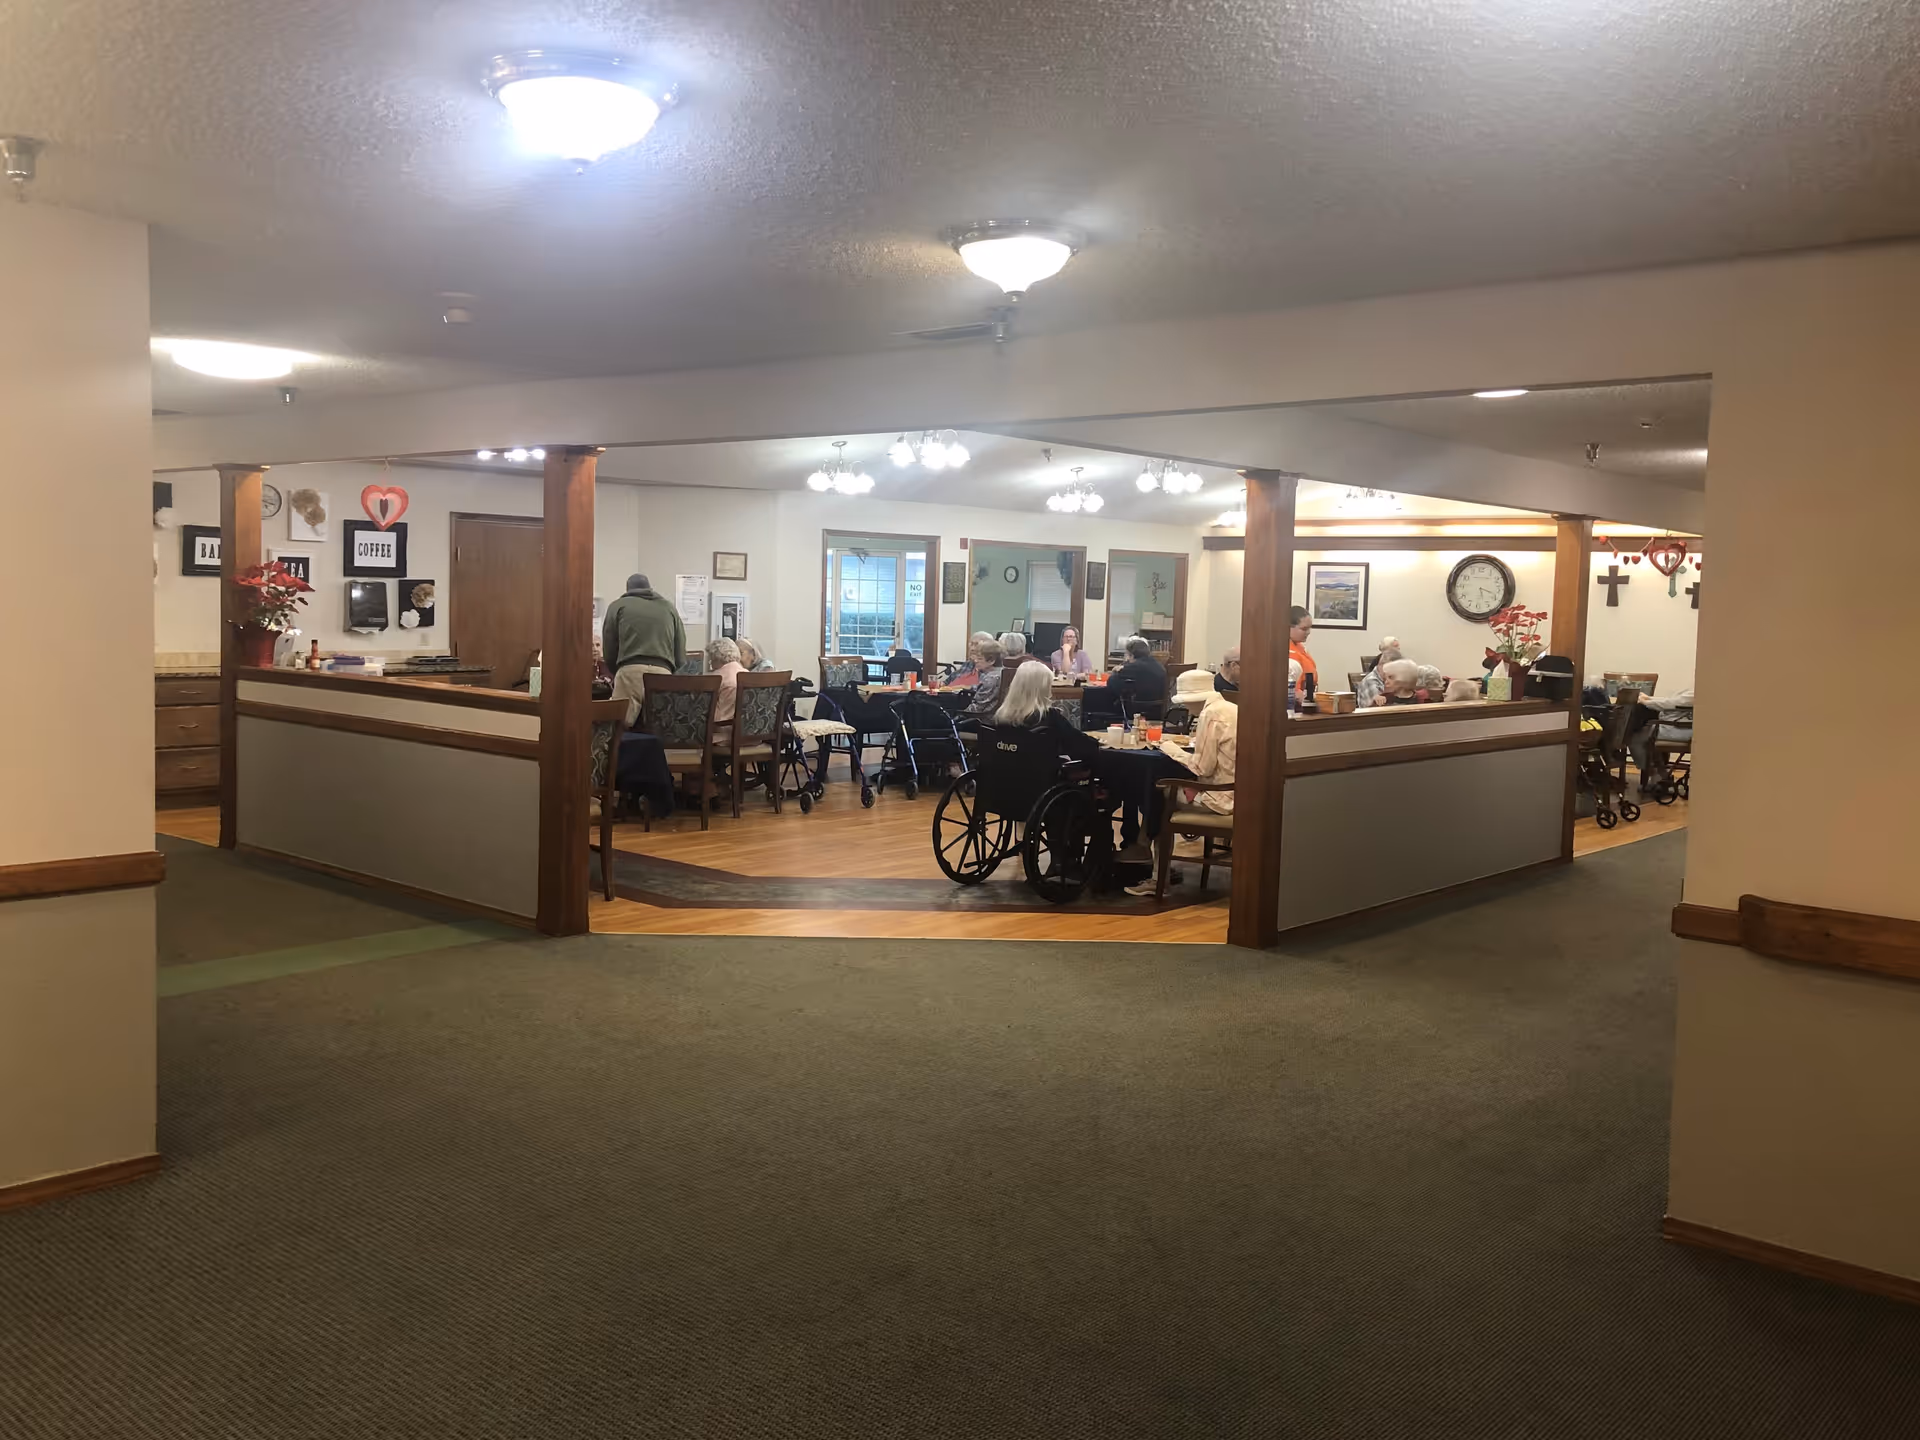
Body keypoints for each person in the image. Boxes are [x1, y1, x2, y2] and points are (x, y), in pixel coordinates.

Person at [603, 572, 687, 724]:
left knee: (619, 726)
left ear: (627, 589)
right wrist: (668, 671)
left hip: (630, 670)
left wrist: (618, 671)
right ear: (650, 588)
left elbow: (609, 647)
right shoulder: (669, 608)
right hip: (663, 672)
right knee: (660, 726)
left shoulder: (617, 606)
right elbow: (680, 652)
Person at [995, 662, 1102, 763]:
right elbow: (1082, 745)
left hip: (1005, 778)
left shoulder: (1001, 716)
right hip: (1043, 778)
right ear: (1042, 689)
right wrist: (1096, 742)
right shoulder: (1049, 717)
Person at [1110, 635, 1167, 701]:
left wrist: (1114, 672)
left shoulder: (1133, 667)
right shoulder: (1158, 665)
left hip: (1138, 707)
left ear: (1131, 655)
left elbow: (1112, 682)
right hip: (1157, 707)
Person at [706, 636, 746, 723]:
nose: (711, 664)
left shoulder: (716, 678)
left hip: (720, 731)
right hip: (746, 732)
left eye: (711, 660)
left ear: (716, 658)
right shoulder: (747, 674)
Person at [963, 637, 1008, 715]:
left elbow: (977, 708)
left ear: (991, 661)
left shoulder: (991, 678)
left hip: (983, 719)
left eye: (979, 658)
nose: (975, 661)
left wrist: (957, 717)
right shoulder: (1006, 672)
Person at [1288, 606, 1318, 693]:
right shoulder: (1285, 651)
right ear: (1288, 627)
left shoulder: (1301, 647)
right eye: (1304, 629)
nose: (1308, 632)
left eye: (1309, 628)